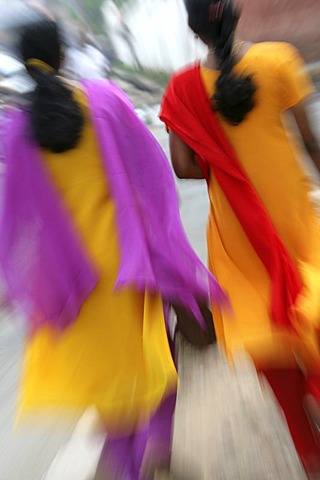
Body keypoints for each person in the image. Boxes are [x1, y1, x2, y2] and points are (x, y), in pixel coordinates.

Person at [0, 12, 226, 480]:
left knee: (108, 385)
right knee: (154, 359)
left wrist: (18, 286)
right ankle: (158, 446)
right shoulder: (104, 100)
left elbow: (18, 223)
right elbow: (153, 179)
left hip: (71, 280)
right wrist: (167, 253)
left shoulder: (17, 134)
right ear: (64, 55)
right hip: (127, 265)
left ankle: (130, 468)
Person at [160, 0, 320, 473]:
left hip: (237, 239)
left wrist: (222, 157)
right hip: (294, 222)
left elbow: (185, 168)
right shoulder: (279, 61)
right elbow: (310, 143)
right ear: (234, 15)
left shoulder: (181, 90)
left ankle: (310, 456)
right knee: (310, 306)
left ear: (193, 31)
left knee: (267, 339)